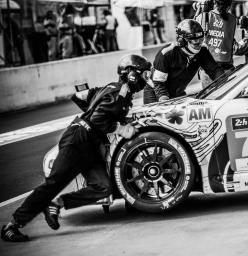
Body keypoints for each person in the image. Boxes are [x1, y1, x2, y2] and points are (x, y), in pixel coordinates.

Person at [1, 54, 152, 242]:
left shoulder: (115, 89)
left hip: (91, 143)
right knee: (53, 183)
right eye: (144, 74)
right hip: (78, 140)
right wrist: (121, 128)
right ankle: (12, 225)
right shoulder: (119, 93)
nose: (146, 79)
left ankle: (57, 204)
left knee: (103, 188)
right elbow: (98, 120)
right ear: (132, 74)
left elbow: (79, 96)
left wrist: (92, 112)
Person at [143, 19, 224, 104]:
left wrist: (225, 82)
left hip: (178, 92)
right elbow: (159, 83)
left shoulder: (202, 51)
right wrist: (164, 102)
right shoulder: (166, 54)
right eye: (195, 41)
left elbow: (214, 70)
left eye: (201, 40)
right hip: (155, 91)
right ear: (182, 41)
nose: (199, 44)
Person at [195, 0, 236, 88]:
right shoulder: (232, 19)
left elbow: (191, 28)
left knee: (211, 99)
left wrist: (200, 10)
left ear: (214, 3)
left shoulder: (203, 17)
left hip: (209, 69)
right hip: (228, 67)